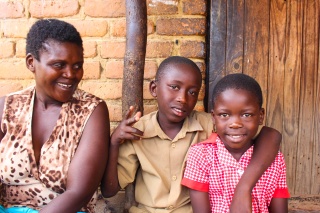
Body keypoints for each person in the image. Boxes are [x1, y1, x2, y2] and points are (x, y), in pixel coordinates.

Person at [101, 56, 282, 213]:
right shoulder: (138, 131)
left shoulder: (209, 124)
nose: (183, 98)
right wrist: (114, 142)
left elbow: (272, 136)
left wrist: (244, 187)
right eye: (174, 87)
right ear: (154, 89)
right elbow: (109, 190)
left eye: (192, 92)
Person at [0, 19, 110, 213]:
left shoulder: (92, 111)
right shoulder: (7, 108)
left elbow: (78, 193)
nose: (70, 74)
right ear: (31, 63)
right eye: (59, 65)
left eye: (77, 66)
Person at [181, 73, 290, 212]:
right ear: (213, 118)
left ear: (261, 116)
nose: (235, 124)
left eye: (246, 115)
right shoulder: (201, 155)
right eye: (224, 115)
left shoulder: (275, 160)